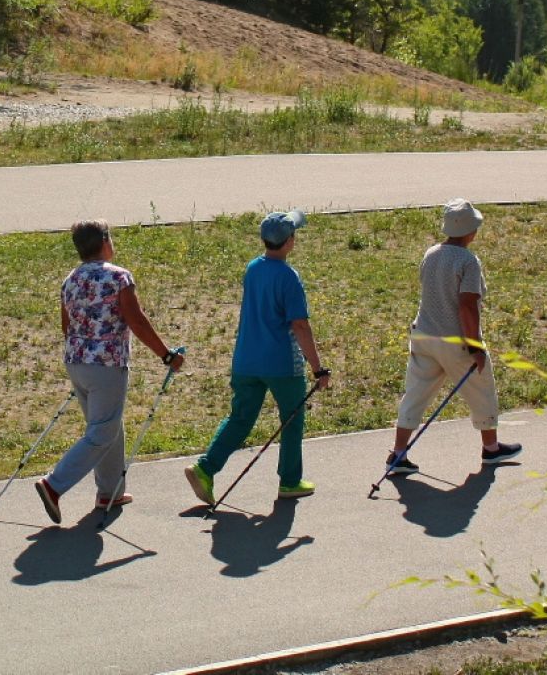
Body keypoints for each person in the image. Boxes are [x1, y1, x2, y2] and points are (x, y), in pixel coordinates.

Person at [33, 220, 185, 524]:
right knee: (101, 431)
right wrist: (166, 355)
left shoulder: (71, 279)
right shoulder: (118, 277)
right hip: (107, 363)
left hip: (76, 360)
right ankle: (54, 484)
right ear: (105, 241)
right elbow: (136, 321)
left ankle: (110, 491)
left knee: (108, 426)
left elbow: (67, 325)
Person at [184, 210, 331, 505]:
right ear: (289, 241)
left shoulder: (253, 268)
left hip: (246, 360)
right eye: (294, 234)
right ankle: (290, 481)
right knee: (291, 419)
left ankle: (205, 468)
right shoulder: (289, 277)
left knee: (240, 418)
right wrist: (318, 368)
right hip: (281, 364)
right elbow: (300, 325)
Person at [387, 199, 522, 473]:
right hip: (453, 341)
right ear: (471, 231)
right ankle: (491, 448)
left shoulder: (431, 252)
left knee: (415, 393)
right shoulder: (468, 261)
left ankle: (398, 452)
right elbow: (467, 306)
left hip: (423, 334)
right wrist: (475, 346)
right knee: (481, 388)